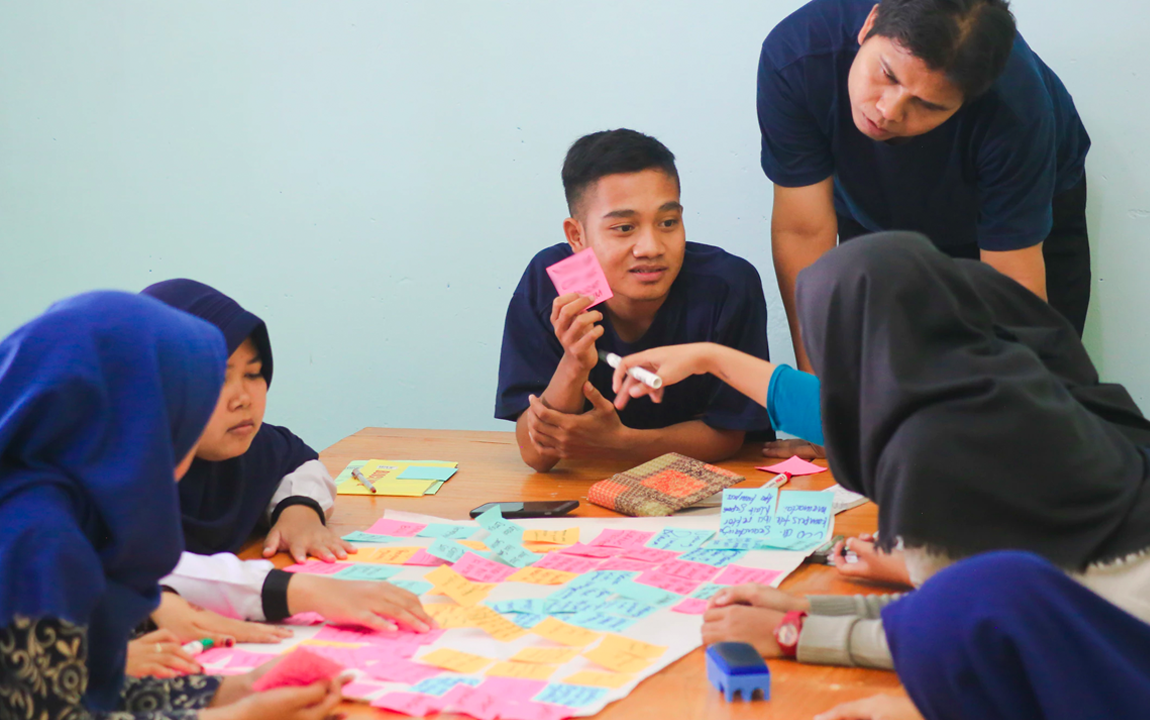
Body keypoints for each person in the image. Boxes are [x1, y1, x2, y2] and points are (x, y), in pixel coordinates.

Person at [614, 232, 1150, 683]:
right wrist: (810, 607)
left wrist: (797, 632)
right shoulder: (1007, 385)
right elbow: (969, 602)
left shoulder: (936, 449)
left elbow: (958, 634)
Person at [0, 291, 344, 719]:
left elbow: (63, 688)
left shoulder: (66, 506)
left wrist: (227, 691)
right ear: (137, 416)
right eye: (192, 407)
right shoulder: (36, 539)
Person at [759, 0, 1092, 382]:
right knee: (874, 384)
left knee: (1042, 397)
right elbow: (804, 231)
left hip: (1015, 225)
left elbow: (1012, 284)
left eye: (926, 104)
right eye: (887, 74)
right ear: (870, 24)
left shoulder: (1015, 109)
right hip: (871, 213)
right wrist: (817, 397)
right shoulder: (796, 56)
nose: (888, 111)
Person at [138, 279, 433, 657]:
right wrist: (305, 592)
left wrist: (299, 510)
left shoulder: (244, 447)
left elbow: (297, 460)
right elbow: (148, 569)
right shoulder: (118, 472)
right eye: (217, 378)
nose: (243, 399)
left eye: (254, 373)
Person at [495, 128, 773, 472]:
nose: (651, 248)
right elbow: (537, 455)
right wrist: (573, 364)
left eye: (668, 222)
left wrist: (620, 445)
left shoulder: (727, 284)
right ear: (577, 236)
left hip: (718, 486)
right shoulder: (554, 279)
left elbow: (728, 435)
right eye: (625, 228)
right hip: (589, 489)